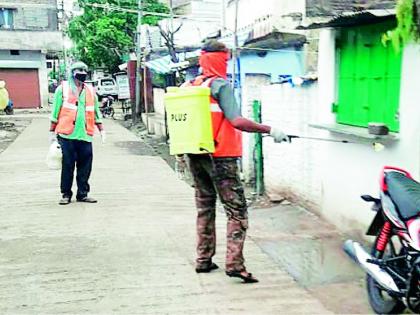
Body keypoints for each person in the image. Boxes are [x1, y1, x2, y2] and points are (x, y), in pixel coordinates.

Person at [177, 40, 289, 283]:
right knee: (236, 211)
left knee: (205, 207)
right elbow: (237, 121)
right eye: (225, 60)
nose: (226, 65)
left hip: (195, 156)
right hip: (221, 157)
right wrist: (270, 129)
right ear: (219, 59)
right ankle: (235, 264)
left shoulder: (188, 85)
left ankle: (203, 259)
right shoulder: (220, 86)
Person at [49, 62, 105, 205]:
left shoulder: (90, 91)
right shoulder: (62, 89)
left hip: (85, 134)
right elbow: (55, 111)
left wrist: (101, 129)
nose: (82, 73)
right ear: (72, 72)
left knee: (85, 166)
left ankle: (83, 194)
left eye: (85, 70)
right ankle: (66, 194)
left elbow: (96, 112)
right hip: (67, 135)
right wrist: (52, 131)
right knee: (68, 165)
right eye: (79, 70)